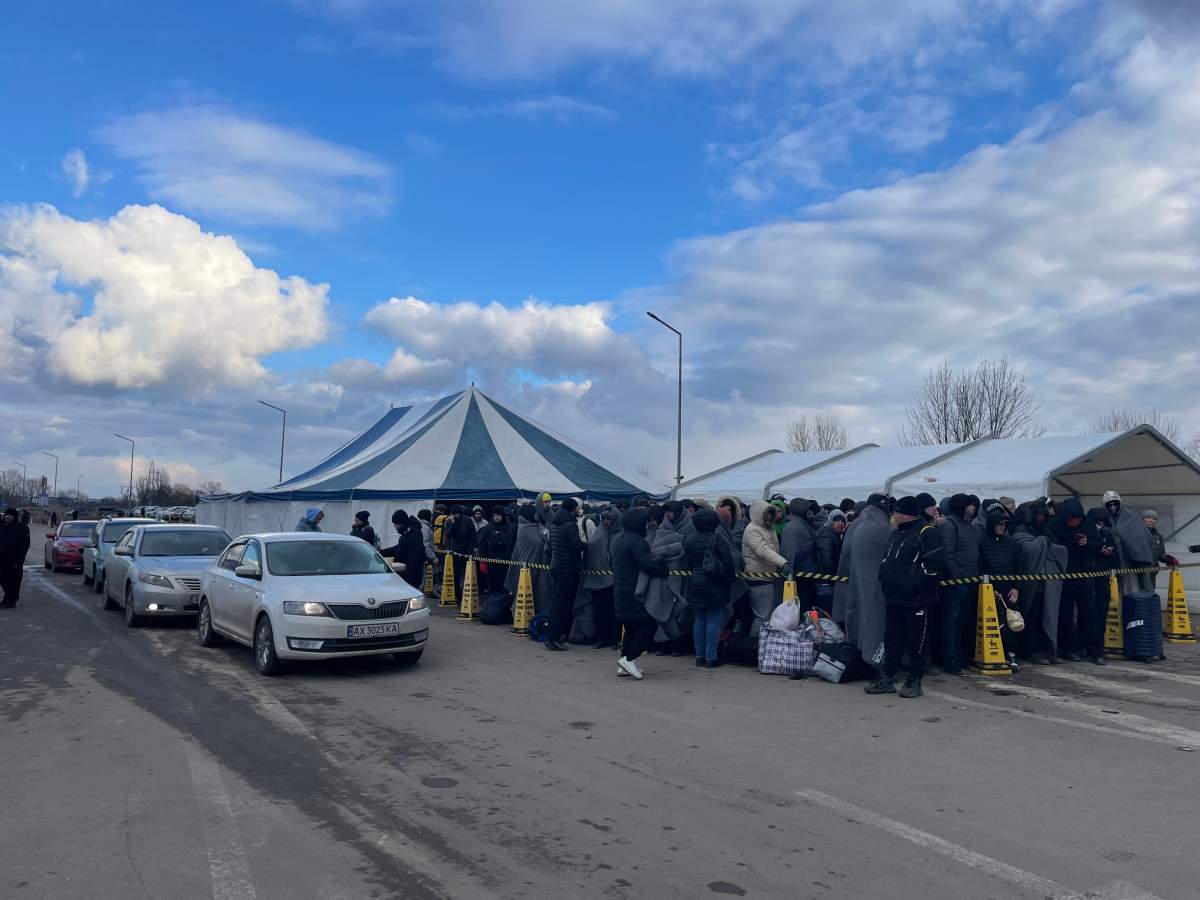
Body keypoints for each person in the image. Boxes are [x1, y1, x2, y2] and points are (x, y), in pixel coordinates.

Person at [866, 496, 943, 698]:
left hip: (918, 599)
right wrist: (885, 579)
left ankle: (914, 680)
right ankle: (887, 677)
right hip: (894, 598)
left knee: (917, 641)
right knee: (892, 639)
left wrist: (914, 586)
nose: (893, 515)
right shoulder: (895, 534)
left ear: (905, 513)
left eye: (896, 512)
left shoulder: (928, 533)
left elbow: (933, 566)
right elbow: (886, 560)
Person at [611, 508, 670, 679]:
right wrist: (664, 570)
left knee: (631, 628)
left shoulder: (620, 539)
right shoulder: (637, 541)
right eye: (645, 522)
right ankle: (629, 659)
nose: (648, 525)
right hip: (635, 591)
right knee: (648, 625)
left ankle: (624, 664)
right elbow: (646, 564)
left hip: (621, 590)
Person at [684, 508, 734, 668]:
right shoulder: (717, 539)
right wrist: (730, 578)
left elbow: (687, 563)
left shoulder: (689, 539)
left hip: (696, 582)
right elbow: (728, 562)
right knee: (713, 620)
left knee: (699, 619)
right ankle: (711, 657)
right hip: (715, 584)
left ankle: (699, 656)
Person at [1048, 498, 1096, 662]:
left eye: (1077, 519)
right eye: (1071, 520)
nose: (1074, 522)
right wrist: (1072, 544)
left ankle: (1094, 650)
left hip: (1085, 575)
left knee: (1089, 614)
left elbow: (1097, 544)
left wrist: (1087, 543)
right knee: (1065, 616)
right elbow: (1054, 547)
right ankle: (1067, 648)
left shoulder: (1088, 524)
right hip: (1064, 577)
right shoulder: (1055, 525)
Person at [936, 494, 980, 674]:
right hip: (956, 583)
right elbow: (948, 553)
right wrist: (956, 577)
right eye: (970, 505)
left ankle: (959, 655)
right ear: (962, 507)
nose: (973, 508)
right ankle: (950, 658)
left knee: (961, 621)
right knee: (951, 622)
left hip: (969, 581)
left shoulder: (967, 524)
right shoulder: (949, 525)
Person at [978, 507, 1023, 668]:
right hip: (990, 592)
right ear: (991, 525)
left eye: (1004, 524)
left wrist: (1017, 587)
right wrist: (989, 588)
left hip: (1010, 591)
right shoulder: (982, 542)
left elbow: (1020, 567)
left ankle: (1012, 656)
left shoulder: (1012, 543)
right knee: (994, 624)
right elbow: (980, 568)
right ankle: (995, 655)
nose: (1002, 527)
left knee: (1013, 624)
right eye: (999, 524)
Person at [741, 501, 788, 636]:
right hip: (758, 578)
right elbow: (763, 550)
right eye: (767, 514)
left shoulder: (768, 528)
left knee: (764, 615)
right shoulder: (753, 530)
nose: (770, 517)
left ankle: (758, 646)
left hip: (766, 577)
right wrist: (783, 563)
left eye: (772, 514)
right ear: (757, 514)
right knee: (762, 616)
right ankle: (754, 646)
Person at [546, 498, 586, 651]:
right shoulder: (570, 525)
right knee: (562, 605)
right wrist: (587, 545)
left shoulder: (555, 523)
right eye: (577, 508)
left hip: (556, 567)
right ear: (572, 509)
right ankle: (554, 639)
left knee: (557, 603)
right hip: (568, 569)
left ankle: (554, 635)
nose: (578, 511)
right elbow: (576, 545)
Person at [582, 506, 620, 649]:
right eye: (603, 519)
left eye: (609, 519)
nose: (606, 522)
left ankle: (615, 639)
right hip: (596, 580)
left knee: (614, 612)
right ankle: (601, 638)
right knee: (599, 611)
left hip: (614, 581)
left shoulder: (619, 534)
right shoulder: (598, 533)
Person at [505, 504, 554, 614]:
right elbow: (538, 542)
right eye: (535, 513)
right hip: (530, 568)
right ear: (530, 515)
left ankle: (540, 619)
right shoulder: (524, 529)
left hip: (540, 567)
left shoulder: (535, 526)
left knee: (541, 594)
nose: (537, 515)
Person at [1103, 490, 1154, 593]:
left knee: (1135, 591)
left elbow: (1145, 537)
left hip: (1134, 563)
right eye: (1109, 504)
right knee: (1121, 591)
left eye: (1115, 503)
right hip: (1116, 563)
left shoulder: (1131, 517)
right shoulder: (1105, 518)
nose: (1113, 506)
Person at [781, 498, 819, 608]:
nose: (810, 513)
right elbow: (790, 554)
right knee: (802, 609)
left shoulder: (803, 525)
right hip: (799, 578)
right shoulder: (794, 528)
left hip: (806, 575)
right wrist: (790, 578)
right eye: (807, 509)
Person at [382, 510, 426, 590]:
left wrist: (409, 578)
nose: (394, 526)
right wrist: (381, 552)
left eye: (395, 523)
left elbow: (414, 559)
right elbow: (398, 548)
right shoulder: (406, 534)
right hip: (405, 576)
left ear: (400, 523)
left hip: (411, 577)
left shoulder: (413, 535)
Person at [814, 508, 847, 610]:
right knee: (825, 611)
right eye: (837, 520)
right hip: (825, 582)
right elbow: (827, 561)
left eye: (842, 521)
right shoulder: (827, 535)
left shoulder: (835, 535)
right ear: (831, 521)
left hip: (828, 580)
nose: (840, 523)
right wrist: (834, 578)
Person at [0, 507, 31, 608]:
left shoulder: (21, 528)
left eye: (10, 515)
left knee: (13, 581)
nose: (8, 517)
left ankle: (10, 601)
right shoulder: (2, 526)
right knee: (3, 579)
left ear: (15, 517)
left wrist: (19, 560)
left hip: (14, 560)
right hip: (2, 559)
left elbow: (25, 545)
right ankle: (10, 599)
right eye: (7, 514)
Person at [1143, 510, 1177, 590]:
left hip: (1152, 571)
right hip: (1137, 571)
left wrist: (1169, 560)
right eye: (1148, 517)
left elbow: (1160, 555)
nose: (1151, 520)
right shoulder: (1135, 533)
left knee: (1150, 594)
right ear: (1142, 519)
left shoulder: (1158, 536)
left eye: (1154, 518)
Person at [446, 506, 475, 600]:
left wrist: (470, 550)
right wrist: (453, 524)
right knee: (456, 574)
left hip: (466, 551)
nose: (456, 515)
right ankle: (457, 595)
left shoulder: (468, 521)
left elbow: (472, 535)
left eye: (457, 513)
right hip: (455, 551)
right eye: (454, 514)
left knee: (468, 574)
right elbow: (449, 535)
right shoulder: (450, 521)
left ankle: (468, 594)